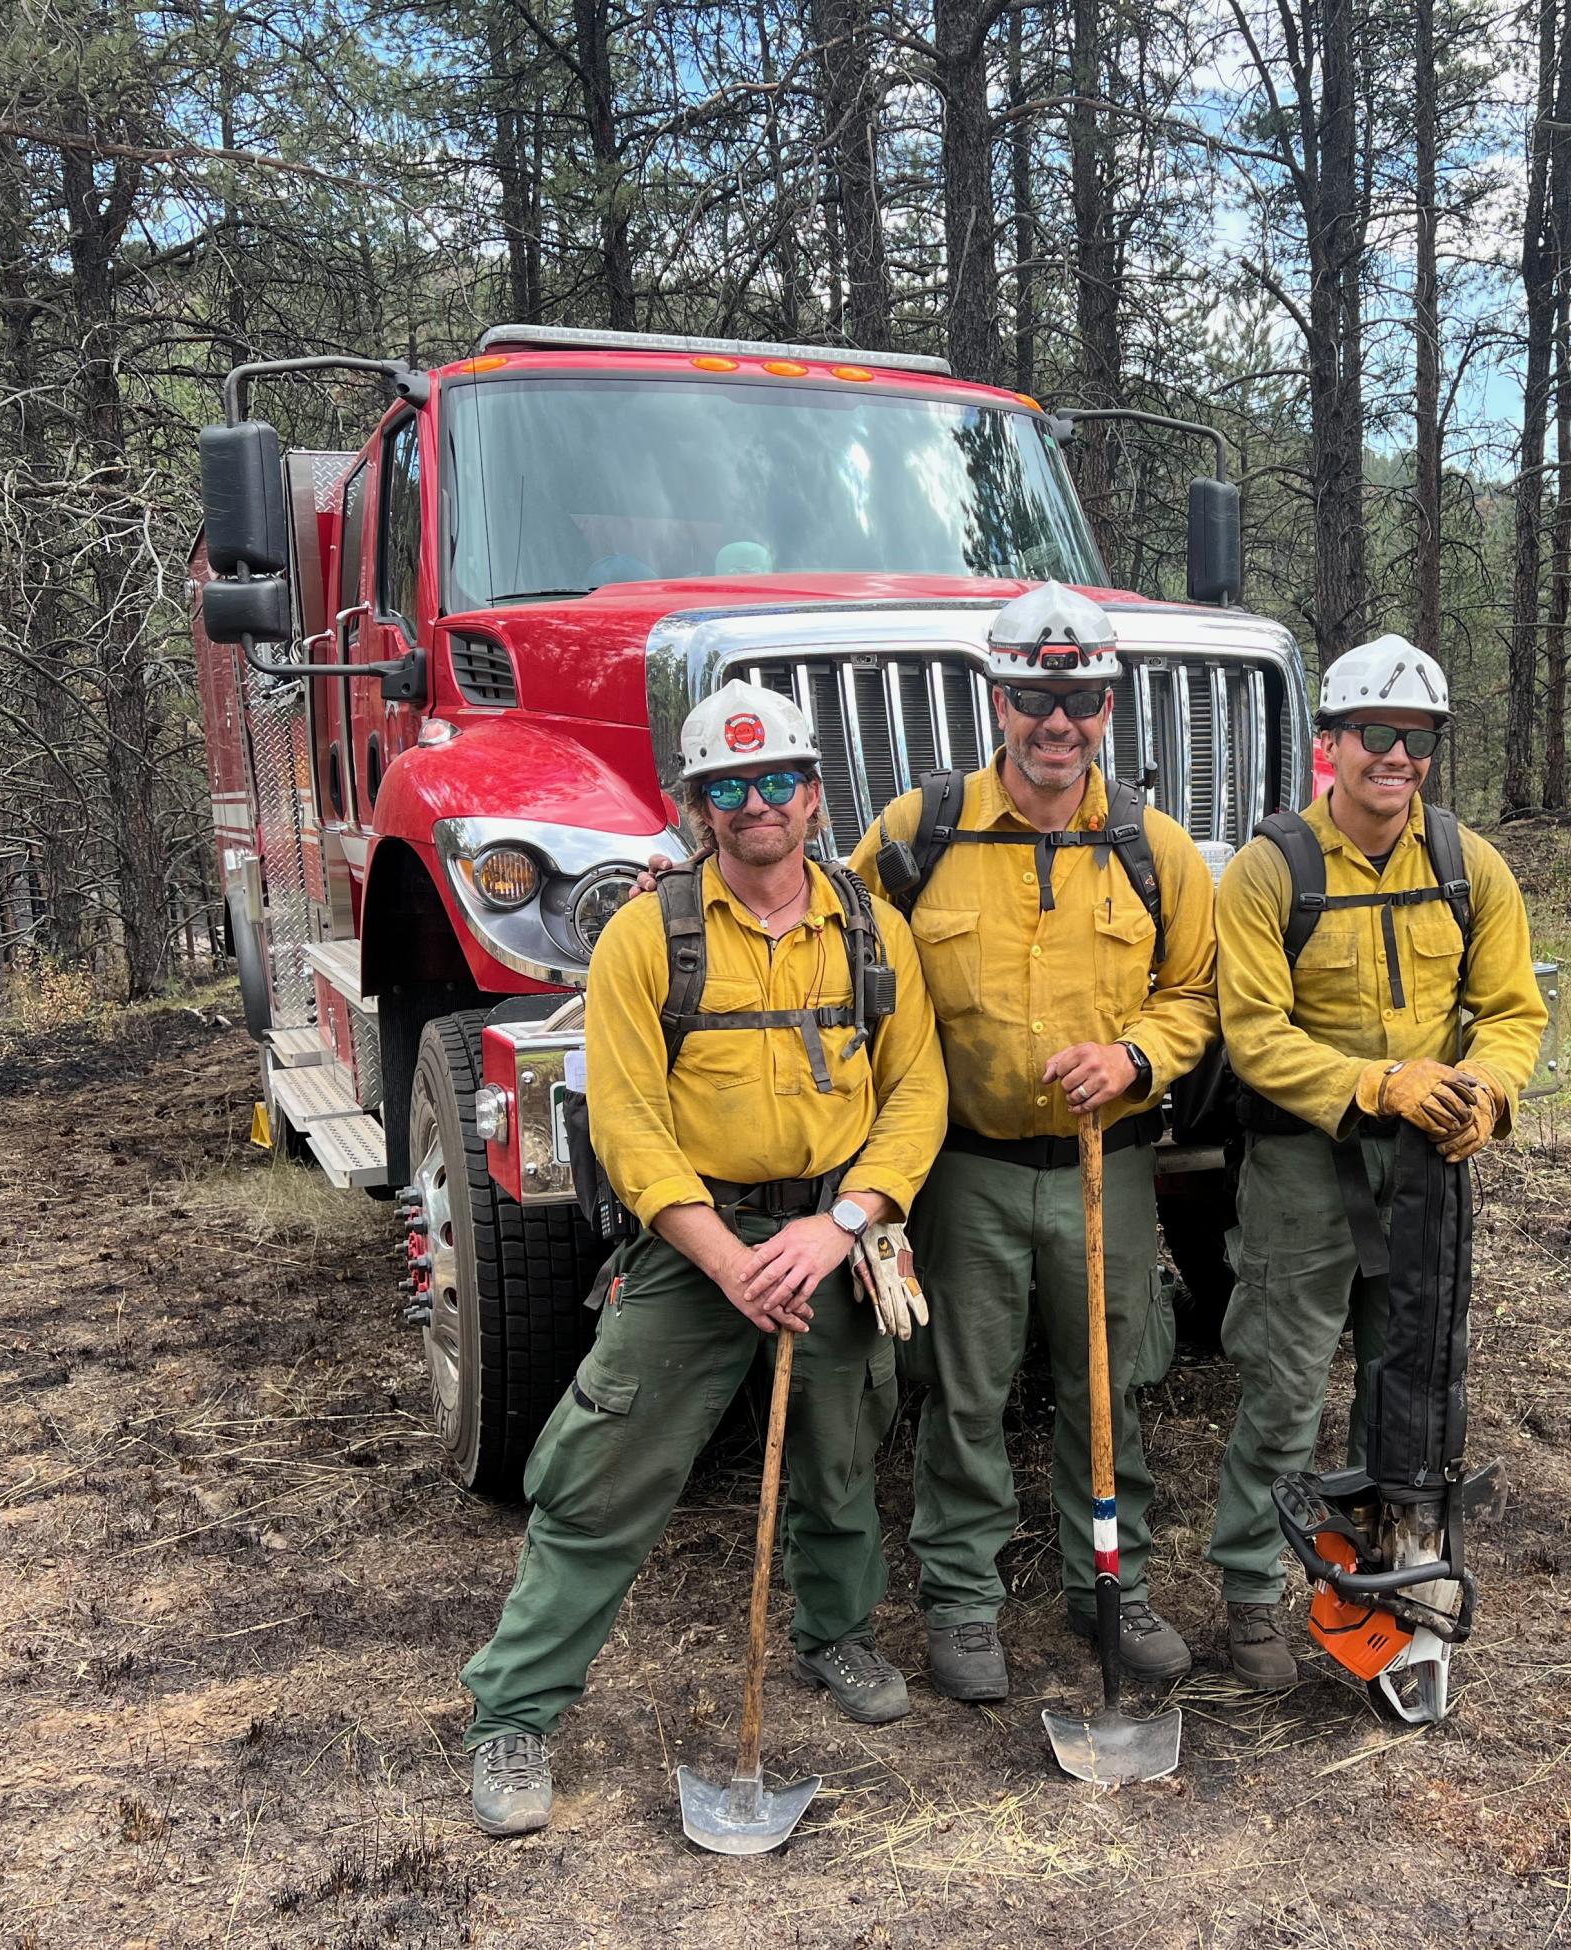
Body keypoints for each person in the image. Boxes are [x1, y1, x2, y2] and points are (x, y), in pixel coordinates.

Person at [461, 679, 947, 1837]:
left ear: (815, 797)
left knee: (839, 1455)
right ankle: (514, 1717)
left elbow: (917, 1089)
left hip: (835, 1241)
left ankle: (838, 1638)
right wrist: (729, 1259)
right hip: (699, 1247)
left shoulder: (875, 932)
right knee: (601, 1478)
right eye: (728, 789)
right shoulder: (646, 936)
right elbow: (626, 1123)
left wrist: (838, 1227)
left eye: (777, 780)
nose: (756, 805)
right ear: (697, 809)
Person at [849, 582, 1219, 1704]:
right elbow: (837, 955)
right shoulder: (918, 836)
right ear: (995, 697)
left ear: (1109, 704)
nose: (1056, 722)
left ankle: (1111, 1582)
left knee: (1107, 1383)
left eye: (1080, 698)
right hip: (964, 1169)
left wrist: (1134, 1059)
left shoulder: (1154, 851)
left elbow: (1193, 994)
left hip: (1108, 1171)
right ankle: (962, 1606)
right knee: (962, 1395)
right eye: (1032, 696)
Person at [1204, 634, 1549, 1689]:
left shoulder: (1465, 864)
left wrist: (1482, 1093)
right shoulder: (1272, 872)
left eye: (1416, 739)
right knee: (1284, 1386)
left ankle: (1390, 1574)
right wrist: (1375, 1083)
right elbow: (1253, 1033)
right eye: (1373, 735)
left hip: (1427, 1163)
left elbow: (1509, 1011)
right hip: (1306, 1165)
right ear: (1330, 742)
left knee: (1411, 1380)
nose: (1394, 756)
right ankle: (1250, 1591)